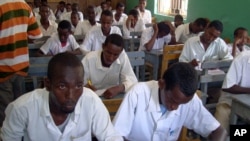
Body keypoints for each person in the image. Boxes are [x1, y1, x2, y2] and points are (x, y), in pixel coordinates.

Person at [1, 52, 123, 141]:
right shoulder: (22, 108)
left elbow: (110, 136)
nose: (71, 96)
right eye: (62, 86)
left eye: (78, 86)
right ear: (48, 84)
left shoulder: (90, 101)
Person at [113, 62, 227, 141]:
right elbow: (116, 136)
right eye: (172, 100)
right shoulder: (137, 94)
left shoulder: (189, 100)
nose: (175, 107)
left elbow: (219, 131)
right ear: (161, 84)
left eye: (181, 104)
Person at [0, 0, 42, 127]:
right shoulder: (25, 6)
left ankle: (6, 135)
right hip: (21, 64)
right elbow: (36, 34)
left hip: (3, 66)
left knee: (5, 108)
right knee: (19, 105)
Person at [82, 34, 137, 99]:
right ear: (103, 47)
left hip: (115, 96)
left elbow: (133, 80)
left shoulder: (122, 56)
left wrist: (119, 88)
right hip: (93, 96)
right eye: (108, 52)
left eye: (116, 55)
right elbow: (79, 82)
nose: (111, 58)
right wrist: (86, 87)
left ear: (121, 52)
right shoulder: (89, 59)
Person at [215, 50, 250, 132]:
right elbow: (227, 87)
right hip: (229, 102)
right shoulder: (242, 58)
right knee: (219, 130)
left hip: (247, 105)